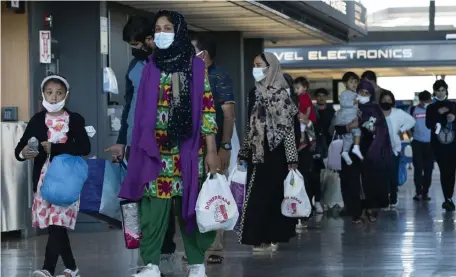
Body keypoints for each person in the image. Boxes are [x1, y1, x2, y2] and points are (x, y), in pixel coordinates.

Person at [119, 10, 220, 277]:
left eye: (168, 28)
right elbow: (140, 110)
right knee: (152, 209)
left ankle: (197, 264)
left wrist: (211, 150)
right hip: (156, 153)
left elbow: (208, 110)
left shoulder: (196, 67)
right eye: (158, 29)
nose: (162, 33)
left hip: (189, 153)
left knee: (189, 210)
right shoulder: (152, 66)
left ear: (179, 32)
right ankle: (151, 264)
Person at [104, 16, 177, 276]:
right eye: (131, 44)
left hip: (163, 144)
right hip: (135, 144)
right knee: (141, 199)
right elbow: (128, 107)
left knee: (162, 199)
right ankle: (151, 257)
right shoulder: (134, 66)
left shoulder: (171, 64)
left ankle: (165, 251)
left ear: (151, 39)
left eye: (138, 42)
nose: (135, 48)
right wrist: (122, 141)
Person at [15, 75, 91, 277]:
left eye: (59, 92)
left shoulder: (74, 119)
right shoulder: (37, 120)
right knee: (54, 225)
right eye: (50, 92)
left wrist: (55, 148)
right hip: (43, 180)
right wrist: (24, 153)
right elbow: (20, 148)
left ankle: (47, 269)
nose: (54, 97)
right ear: (43, 95)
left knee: (58, 223)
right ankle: (72, 268)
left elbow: (84, 147)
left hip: (66, 181)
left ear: (67, 95)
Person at [238, 52, 299, 252]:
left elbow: (288, 129)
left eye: (260, 65)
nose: (256, 69)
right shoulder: (253, 93)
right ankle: (257, 237)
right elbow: (251, 125)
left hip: (277, 152)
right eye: (254, 65)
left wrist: (291, 157)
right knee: (256, 194)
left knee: (274, 194)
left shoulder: (283, 94)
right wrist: (243, 151)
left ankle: (271, 235)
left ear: (271, 67)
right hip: (258, 150)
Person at [191, 33, 236, 264]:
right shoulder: (189, 76)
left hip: (215, 146)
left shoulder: (219, 76)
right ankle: (199, 248)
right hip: (191, 150)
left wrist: (224, 146)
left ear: (203, 54)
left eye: (192, 50)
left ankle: (214, 248)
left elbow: (228, 115)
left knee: (214, 194)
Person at [335, 80, 393, 223]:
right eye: (361, 92)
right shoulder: (348, 108)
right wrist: (349, 127)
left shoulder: (375, 109)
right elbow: (337, 128)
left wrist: (368, 126)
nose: (364, 95)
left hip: (370, 151)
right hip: (351, 151)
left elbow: (381, 130)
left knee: (370, 182)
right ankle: (356, 211)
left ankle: (371, 209)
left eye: (367, 93)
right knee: (353, 182)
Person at [378, 90, 415, 208]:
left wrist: (401, 129)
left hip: (394, 149)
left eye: (389, 100)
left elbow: (411, 121)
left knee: (393, 175)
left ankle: (393, 198)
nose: (386, 102)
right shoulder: (377, 113)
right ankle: (384, 198)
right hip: (379, 150)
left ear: (392, 101)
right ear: (380, 101)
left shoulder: (398, 112)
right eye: (384, 100)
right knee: (382, 175)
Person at [426, 79, 456, 211]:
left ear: (446, 91)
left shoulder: (454, 105)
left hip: (454, 144)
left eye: (443, 90)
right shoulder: (431, 108)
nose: (440, 93)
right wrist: (439, 113)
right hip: (440, 146)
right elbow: (428, 124)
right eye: (438, 90)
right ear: (434, 92)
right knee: (445, 171)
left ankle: (449, 197)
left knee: (451, 171)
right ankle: (448, 198)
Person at [408, 90, 434, 201]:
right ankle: (418, 192)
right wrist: (411, 138)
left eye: (428, 101)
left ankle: (425, 192)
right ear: (420, 100)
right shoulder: (413, 110)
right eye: (424, 102)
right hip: (417, 143)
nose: (426, 104)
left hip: (431, 144)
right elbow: (407, 125)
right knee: (418, 168)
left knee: (429, 169)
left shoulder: (433, 109)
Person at [335, 72, 363, 165]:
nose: (354, 84)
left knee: (349, 138)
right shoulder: (345, 93)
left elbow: (355, 107)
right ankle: (356, 147)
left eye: (355, 82)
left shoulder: (354, 93)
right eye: (351, 82)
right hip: (346, 118)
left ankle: (345, 151)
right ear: (345, 83)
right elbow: (344, 104)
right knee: (357, 131)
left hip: (351, 116)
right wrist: (356, 101)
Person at [294, 76, 317, 150]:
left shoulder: (305, 96)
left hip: (308, 117)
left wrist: (307, 115)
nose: (295, 90)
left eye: (297, 88)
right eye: (295, 88)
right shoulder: (300, 97)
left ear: (304, 88)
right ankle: (303, 141)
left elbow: (309, 107)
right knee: (302, 128)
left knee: (307, 127)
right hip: (303, 117)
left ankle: (312, 140)